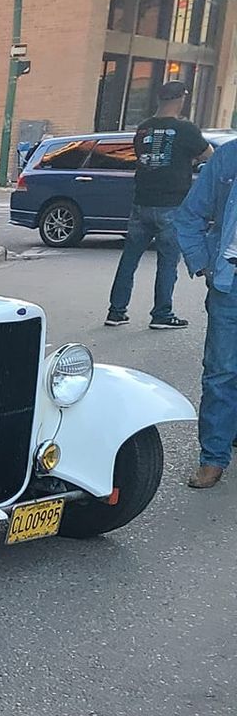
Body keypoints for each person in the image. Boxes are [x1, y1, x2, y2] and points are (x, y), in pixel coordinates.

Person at [106, 80, 209, 331]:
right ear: (181, 99)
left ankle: (116, 311)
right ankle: (162, 313)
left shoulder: (143, 128)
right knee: (167, 262)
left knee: (129, 260)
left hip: (141, 202)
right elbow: (209, 157)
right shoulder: (186, 129)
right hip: (171, 205)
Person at [171, 134, 237, 489]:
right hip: (231, 282)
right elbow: (190, 215)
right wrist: (204, 263)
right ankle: (213, 457)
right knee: (222, 372)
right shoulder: (229, 157)